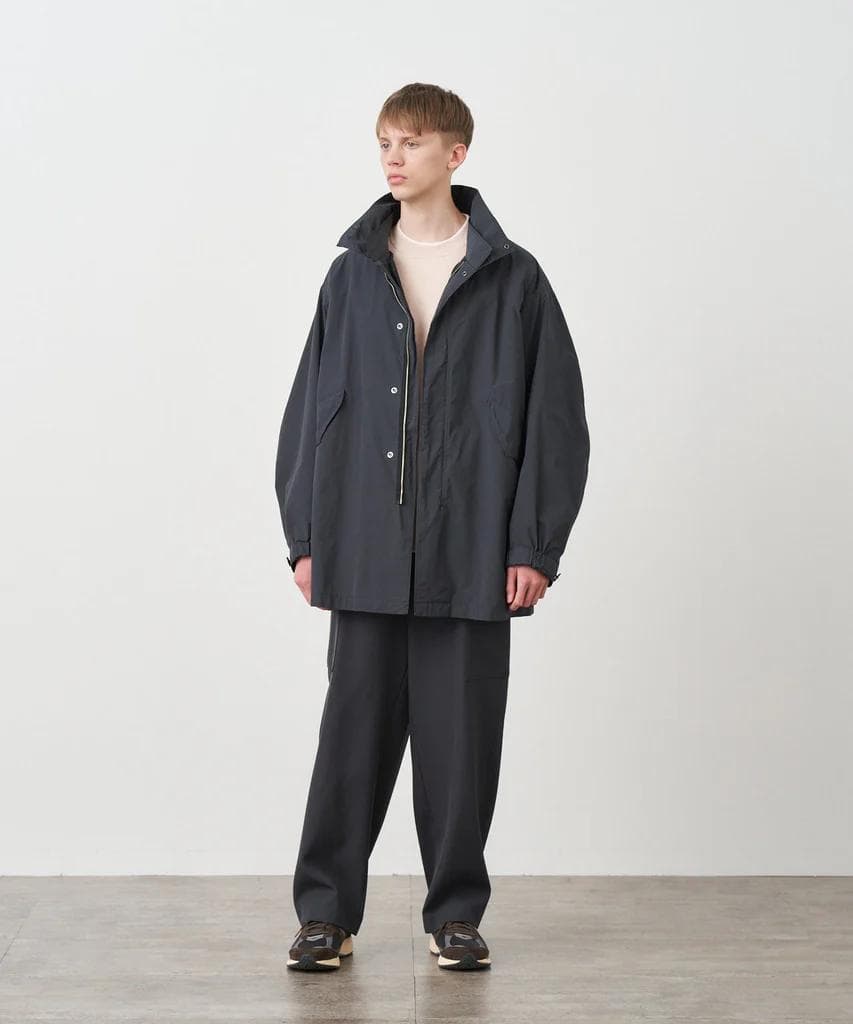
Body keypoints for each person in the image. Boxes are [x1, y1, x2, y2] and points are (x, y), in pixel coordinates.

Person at [275, 82, 590, 972]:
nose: (392, 157)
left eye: (410, 142)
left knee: (461, 746)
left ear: (455, 154)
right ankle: (325, 916)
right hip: (365, 548)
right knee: (351, 739)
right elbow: (310, 411)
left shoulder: (513, 278)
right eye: (384, 141)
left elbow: (554, 424)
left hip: (472, 549)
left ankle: (454, 915)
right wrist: (306, 535)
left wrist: (532, 546)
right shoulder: (351, 274)